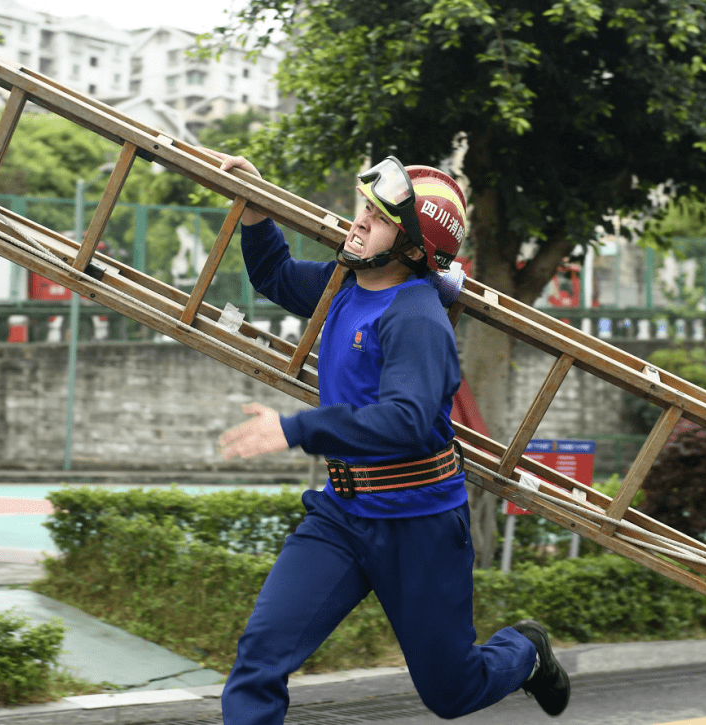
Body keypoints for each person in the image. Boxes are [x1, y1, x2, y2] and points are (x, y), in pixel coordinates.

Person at [213, 150, 570, 724]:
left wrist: (292, 428)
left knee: (452, 693)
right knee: (260, 658)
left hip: (419, 525)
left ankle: (524, 652)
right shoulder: (346, 286)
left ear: (411, 249)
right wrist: (256, 205)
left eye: (376, 218)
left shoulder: (418, 319)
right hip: (343, 515)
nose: (357, 222)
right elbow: (274, 275)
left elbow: (403, 419)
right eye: (365, 208)